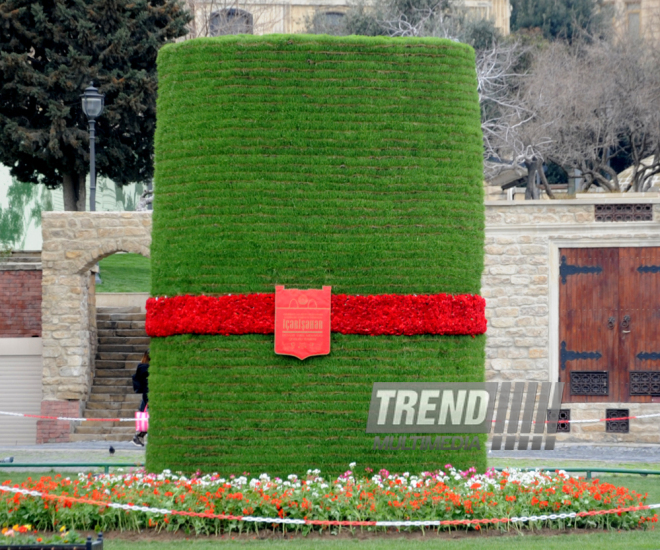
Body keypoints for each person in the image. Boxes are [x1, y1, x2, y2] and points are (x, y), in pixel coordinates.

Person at [131, 349, 150, 447]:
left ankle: (139, 436)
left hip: (145, 395)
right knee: (147, 415)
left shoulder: (141, 366)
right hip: (150, 395)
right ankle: (139, 436)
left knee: (144, 414)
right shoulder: (148, 368)